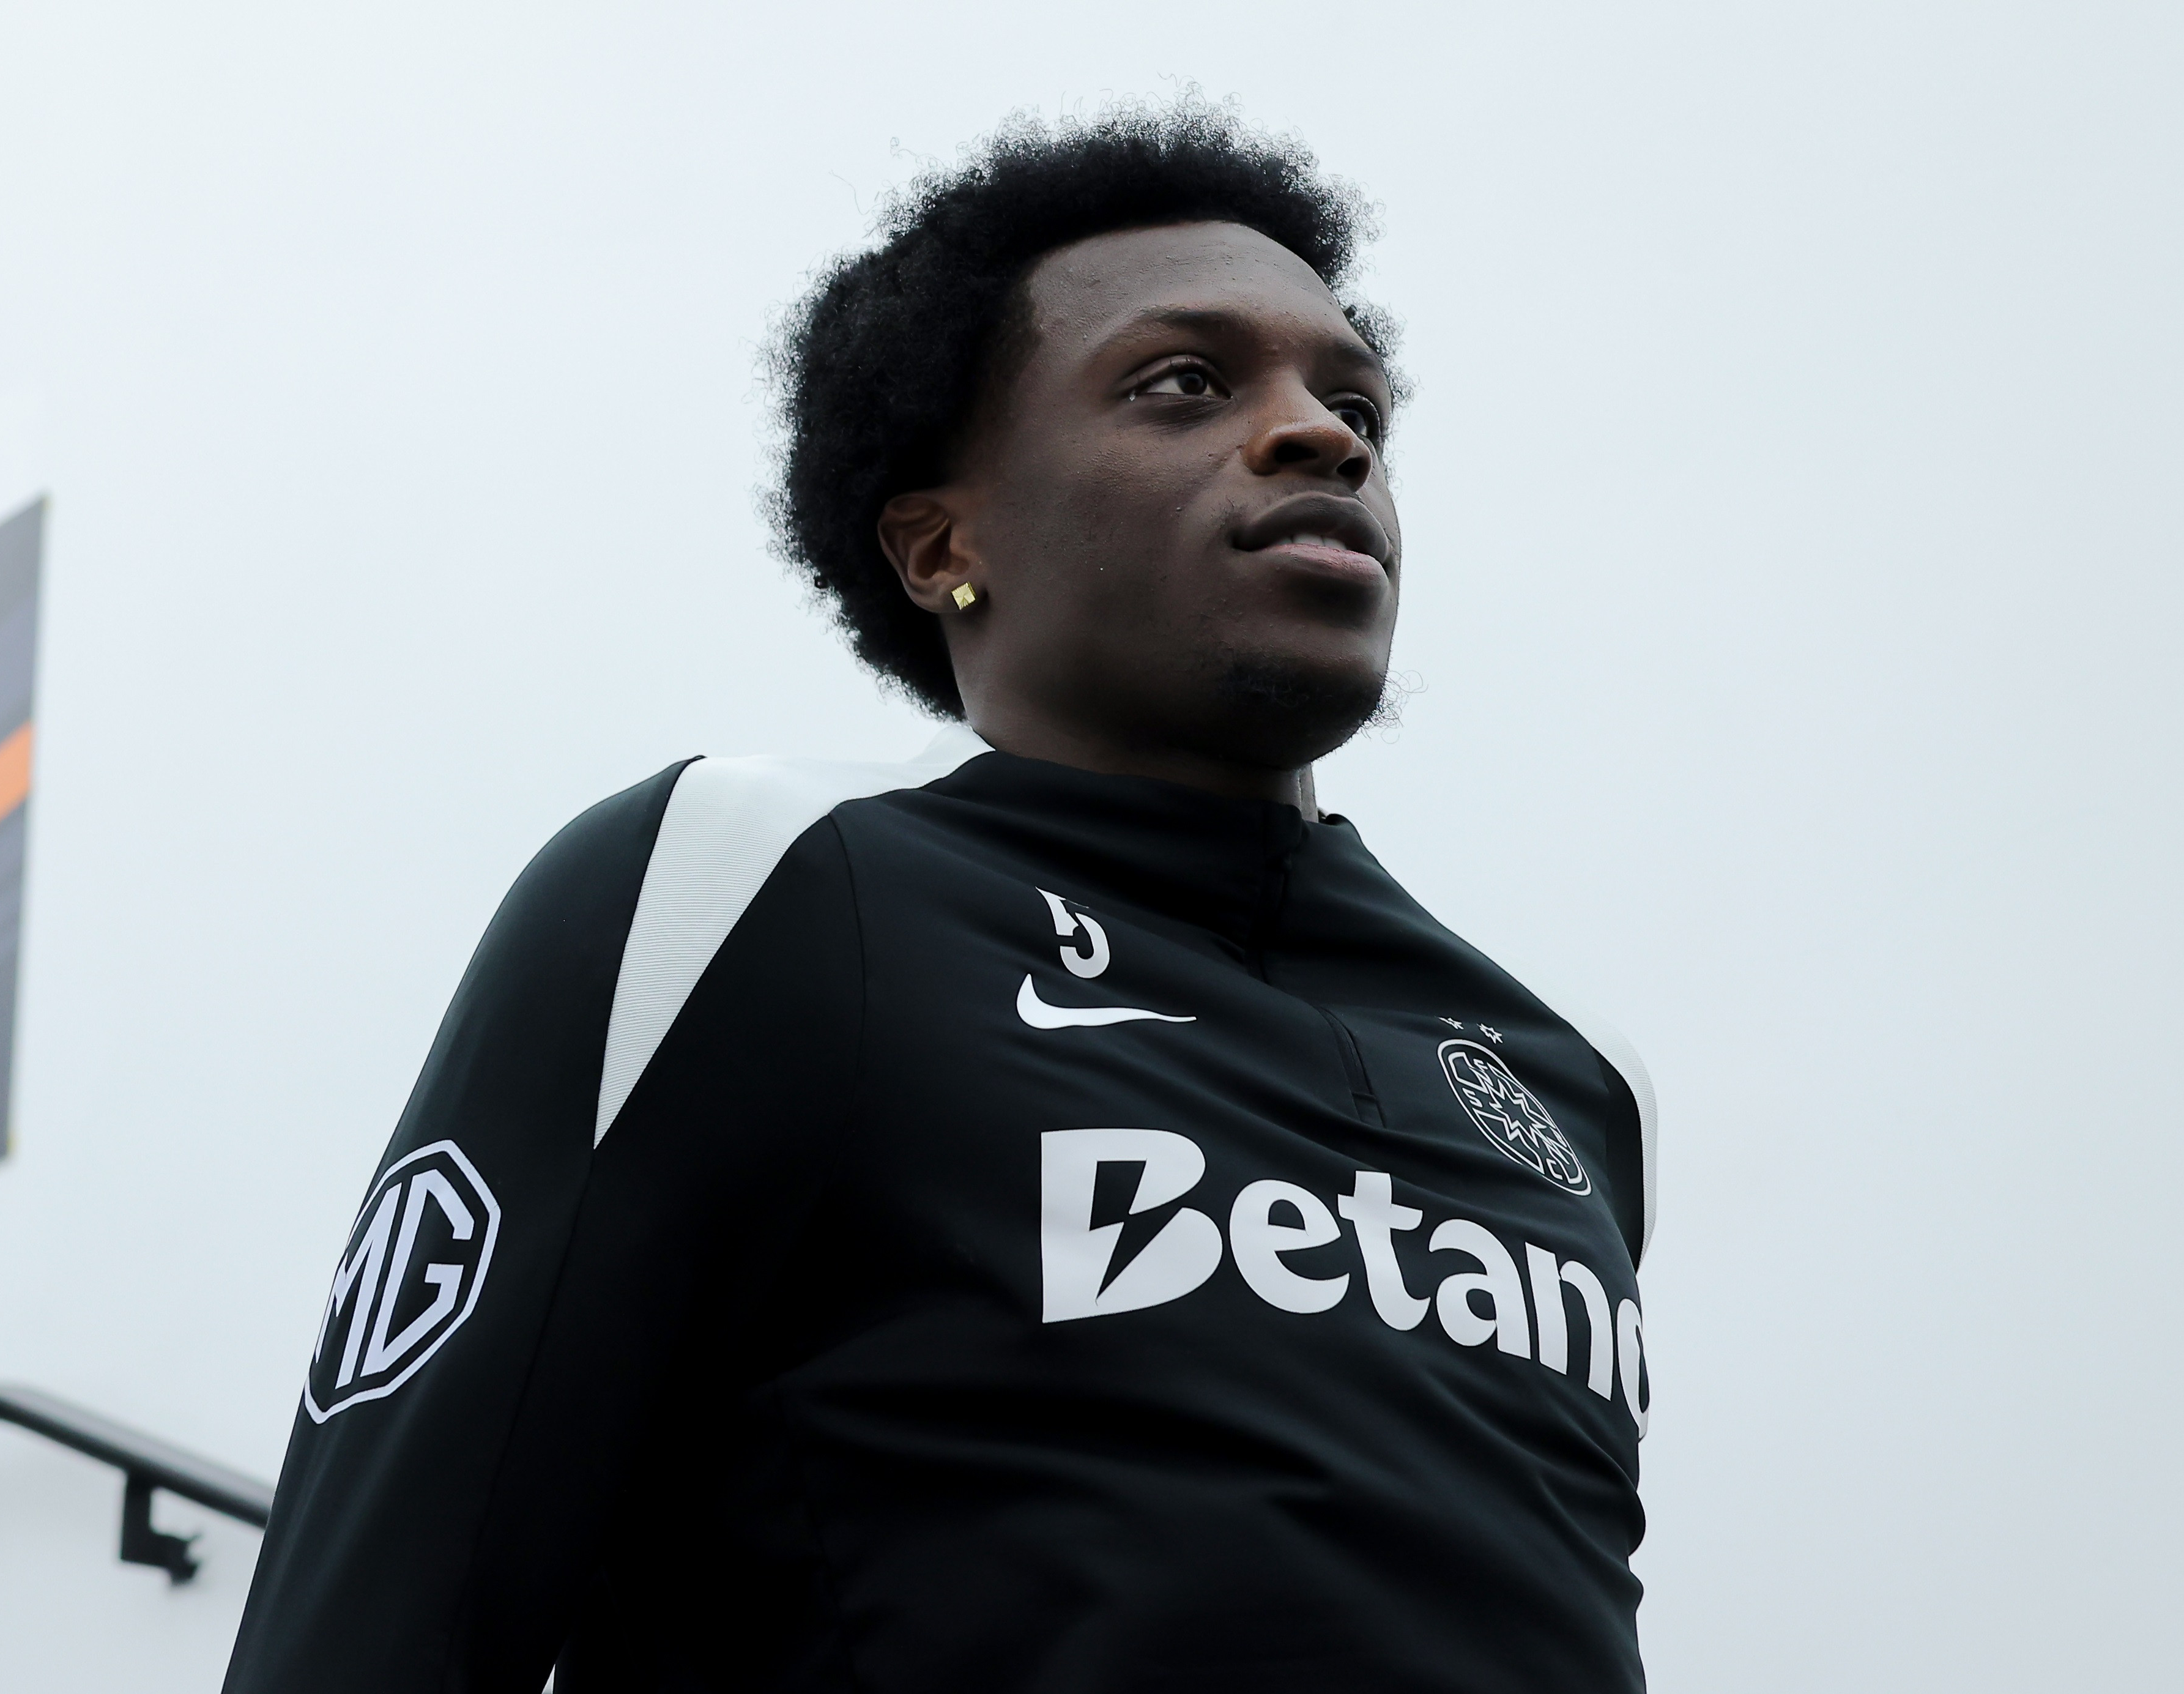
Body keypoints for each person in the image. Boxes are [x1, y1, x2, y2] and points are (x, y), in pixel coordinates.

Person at [225, 103, 1657, 1693]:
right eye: (1184, 383)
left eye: (1354, 402)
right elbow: (379, 1620)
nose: (1322, 436)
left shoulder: (1569, 1081)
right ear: (937, 544)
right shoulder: (741, 888)